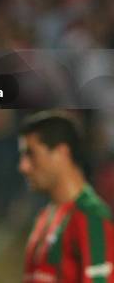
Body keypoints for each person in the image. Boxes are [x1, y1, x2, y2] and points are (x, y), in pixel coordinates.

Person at [18, 110, 114, 283]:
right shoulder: (45, 217)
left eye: (31, 154)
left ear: (61, 153)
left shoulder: (90, 216)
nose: (23, 166)